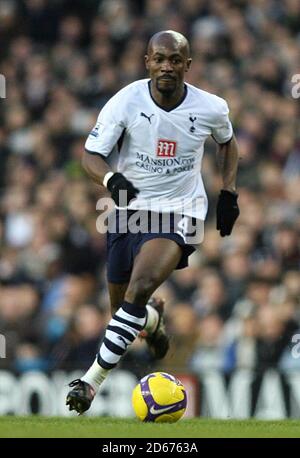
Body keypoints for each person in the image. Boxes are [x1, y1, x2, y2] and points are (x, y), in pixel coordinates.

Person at [66, 30, 240, 414]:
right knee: (124, 313)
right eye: (159, 58)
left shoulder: (211, 107)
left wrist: (228, 191)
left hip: (182, 213)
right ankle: (155, 321)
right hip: (128, 212)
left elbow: (227, 142)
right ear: (147, 61)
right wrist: (112, 179)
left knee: (141, 285)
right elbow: (91, 155)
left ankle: (90, 381)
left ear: (187, 66)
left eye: (175, 60)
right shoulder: (124, 102)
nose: (167, 66)